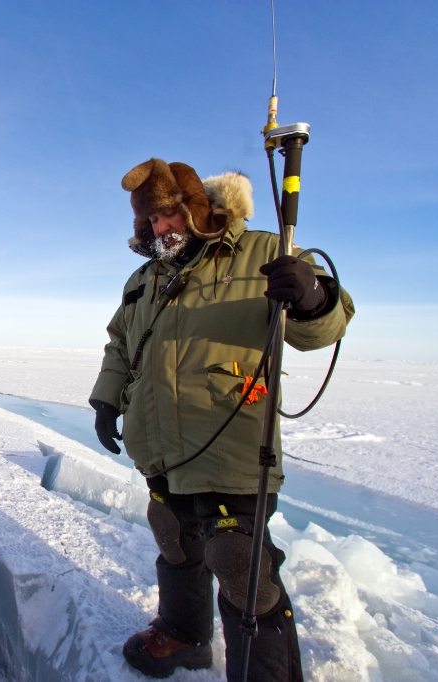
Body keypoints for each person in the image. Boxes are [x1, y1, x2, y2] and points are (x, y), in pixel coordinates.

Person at [89, 159, 354, 680]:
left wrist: (311, 296)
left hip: (232, 440)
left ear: (196, 208)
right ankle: (183, 635)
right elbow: (121, 343)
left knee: (238, 561)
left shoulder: (261, 252)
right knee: (172, 533)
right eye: (153, 221)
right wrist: (106, 399)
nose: (163, 228)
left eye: (170, 215)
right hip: (160, 440)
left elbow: (326, 324)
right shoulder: (144, 278)